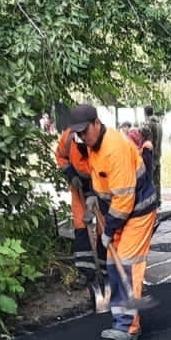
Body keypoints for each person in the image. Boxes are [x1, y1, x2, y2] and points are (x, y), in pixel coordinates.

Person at [70, 104, 159, 340]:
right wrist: (92, 194)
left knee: (127, 264)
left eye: (85, 130)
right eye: (78, 133)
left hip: (137, 211)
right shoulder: (91, 144)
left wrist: (108, 231)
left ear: (97, 123)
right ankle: (124, 320)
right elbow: (98, 175)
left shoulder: (115, 148)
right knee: (113, 263)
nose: (82, 136)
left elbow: (124, 198)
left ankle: (127, 327)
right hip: (118, 212)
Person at [55, 106, 102, 284]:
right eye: (79, 135)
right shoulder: (68, 138)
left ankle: (105, 270)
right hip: (78, 187)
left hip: (100, 187)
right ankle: (86, 271)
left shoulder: (102, 142)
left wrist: (94, 193)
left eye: (85, 134)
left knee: (104, 227)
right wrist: (70, 175)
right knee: (81, 225)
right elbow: (60, 157)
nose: (83, 138)